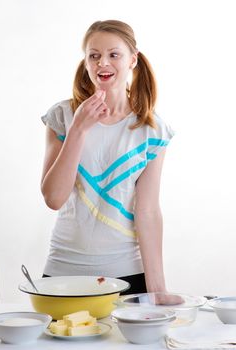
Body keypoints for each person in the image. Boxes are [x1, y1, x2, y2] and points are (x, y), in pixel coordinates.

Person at [40, 19, 174, 295]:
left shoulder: (152, 130)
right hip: (64, 272)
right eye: (94, 55)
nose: (103, 63)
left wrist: (158, 290)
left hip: (127, 274)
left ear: (132, 60)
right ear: (86, 61)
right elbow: (53, 198)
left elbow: (147, 211)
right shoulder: (62, 117)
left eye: (114, 55)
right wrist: (78, 128)